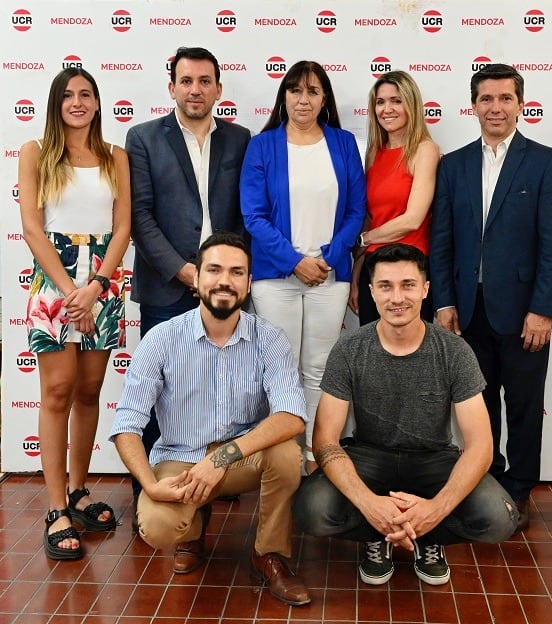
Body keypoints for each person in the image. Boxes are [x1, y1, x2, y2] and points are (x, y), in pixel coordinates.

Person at [293, 244, 518, 587]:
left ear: (426, 289)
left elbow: (481, 446)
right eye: (385, 286)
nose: (397, 297)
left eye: (408, 285)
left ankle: (427, 535)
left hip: (434, 460)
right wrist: (369, 505)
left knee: (499, 517)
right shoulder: (350, 349)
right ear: (371, 291)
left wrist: (435, 510)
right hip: (369, 456)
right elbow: (325, 441)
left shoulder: (454, 351)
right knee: (311, 509)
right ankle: (379, 531)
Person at [110, 232, 311, 606]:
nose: (225, 281)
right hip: (181, 459)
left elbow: (292, 416)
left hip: (240, 458)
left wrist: (220, 459)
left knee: (286, 453)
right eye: (215, 270)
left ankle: (269, 554)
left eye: (237, 272)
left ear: (249, 283)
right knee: (156, 527)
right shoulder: (161, 339)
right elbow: (127, 425)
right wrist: (150, 486)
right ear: (197, 278)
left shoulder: (269, 339)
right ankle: (192, 531)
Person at [429, 64, 552, 533]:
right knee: (479, 404)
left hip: (525, 312)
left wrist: (544, 309)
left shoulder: (547, 161)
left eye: (505, 98)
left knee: (526, 406)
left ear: (520, 103)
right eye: (486, 99)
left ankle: (520, 489)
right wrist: (444, 301)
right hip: (468, 311)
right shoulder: (453, 164)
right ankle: (486, 480)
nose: (496, 107)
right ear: (473, 106)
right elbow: (443, 240)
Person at [125, 46, 251, 500]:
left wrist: (226, 273)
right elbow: (140, 217)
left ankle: (218, 481)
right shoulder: (142, 138)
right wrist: (184, 271)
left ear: (218, 87)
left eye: (204, 81)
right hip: (166, 284)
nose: (195, 89)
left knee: (225, 388)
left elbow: (244, 213)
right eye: (186, 81)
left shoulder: (241, 139)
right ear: (171, 87)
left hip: (225, 288)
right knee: (159, 392)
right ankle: (151, 493)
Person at [18, 67, 131, 560]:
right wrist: (71, 294)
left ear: (98, 103)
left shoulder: (115, 157)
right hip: (55, 281)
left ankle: (80, 491)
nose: (78, 103)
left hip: (104, 281)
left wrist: (97, 286)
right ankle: (55, 506)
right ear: (55, 103)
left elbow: (123, 226)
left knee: (89, 390)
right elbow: (32, 228)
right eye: (69, 96)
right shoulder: (36, 153)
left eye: (87, 95)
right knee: (58, 390)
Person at [240, 60, 366, 474]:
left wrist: (327, 259)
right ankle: (285, 460)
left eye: (312, 91)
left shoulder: (344, 143)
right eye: (295, 90)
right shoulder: (263, 146)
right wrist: (295, 262)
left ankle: (315, 458)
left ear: (324, 98)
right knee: (283, 369)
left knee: (320, 369)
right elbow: (253, 216)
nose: (303, 99)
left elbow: (355, 210)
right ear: (284, 97)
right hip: (276, 278)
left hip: (330, 276)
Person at [348, 70, 440, 325]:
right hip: (374, 270)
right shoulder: (373, 154)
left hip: (410, 269)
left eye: (396, 101)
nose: (387, 109)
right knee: (373, 354)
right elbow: (371, 217)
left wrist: (364, 239)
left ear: (411, 104)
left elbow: (412, 219)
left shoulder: (424, 150)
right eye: (380, 102)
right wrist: (357, 274)